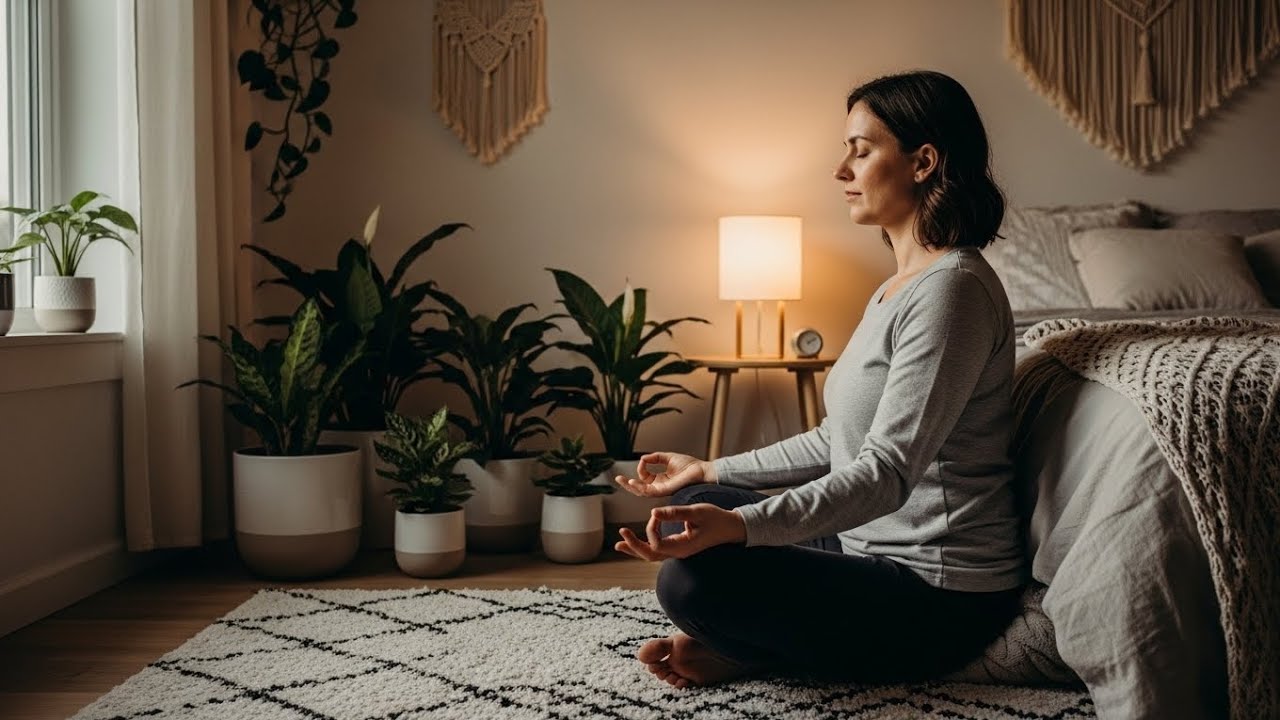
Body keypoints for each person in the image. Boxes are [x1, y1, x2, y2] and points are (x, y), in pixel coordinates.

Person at [612, 70, 1025, 690]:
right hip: (865, 547)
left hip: (938, 592)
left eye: (861, 150)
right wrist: (711, 472)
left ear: (923, 162)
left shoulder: (954, 292)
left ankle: (759, 652)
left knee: (690, 579)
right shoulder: (897, 288)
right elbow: (838, 441)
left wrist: (744, 528)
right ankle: (754, 648)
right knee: (694, 514)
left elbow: (886, 471)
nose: (841, 170)